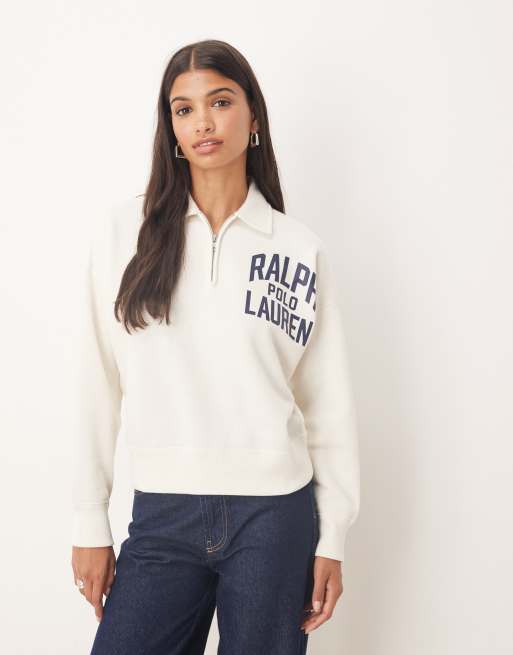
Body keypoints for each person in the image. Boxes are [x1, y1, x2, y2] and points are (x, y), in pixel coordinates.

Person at [70, 39, 360, 655]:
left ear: (252, 116)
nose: (203, 121)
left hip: (274, 519)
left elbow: (327, 406)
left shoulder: (297, 249)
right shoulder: (124, 235)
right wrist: (89, 518)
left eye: (220, 102)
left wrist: (333, 535)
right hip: (162, 513)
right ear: (171, 129)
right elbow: (97, 382)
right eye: (184, 109)